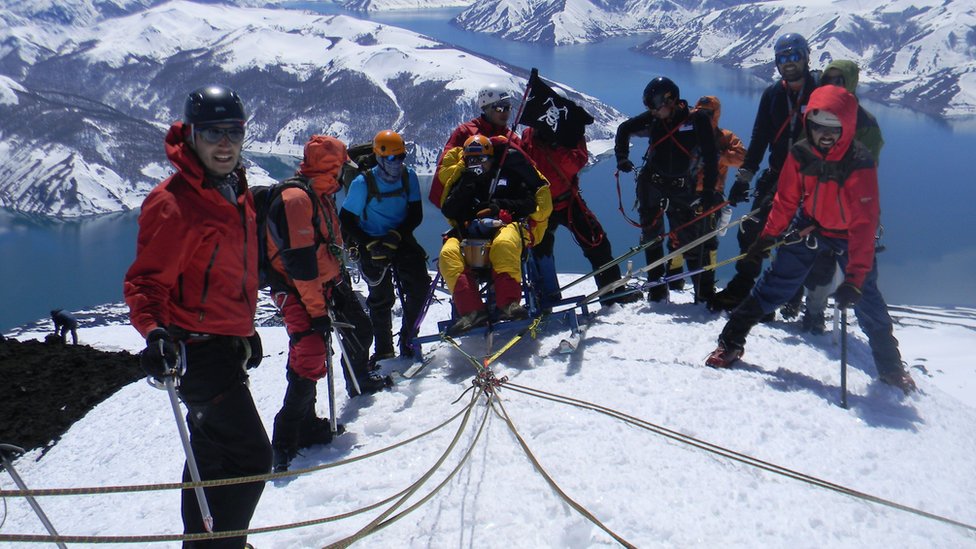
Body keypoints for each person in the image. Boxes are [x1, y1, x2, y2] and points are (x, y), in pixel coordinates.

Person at [123, 84, 271, 547]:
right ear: (191, 136)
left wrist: (244, 330)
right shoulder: (174, 203)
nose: (224, 143)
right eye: (212, 133)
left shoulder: (234, 189)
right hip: (196, 352)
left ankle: (205, 541)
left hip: (225, 345)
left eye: (233, 132)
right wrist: (155, 333)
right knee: (250, 456)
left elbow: (230, 272)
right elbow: (147, 282)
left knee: (212, 456)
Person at [705, 85, 917, 395]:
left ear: (846, 127)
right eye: (818, 126)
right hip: (812, 227)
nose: (825, 135)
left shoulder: (860, 162)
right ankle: (730, 342)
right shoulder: (801, 154)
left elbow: (863, 224)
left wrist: (854, 279)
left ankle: (891, 368)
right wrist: (765, 239)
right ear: (809, 124)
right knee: (776, 285)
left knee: (867, 299)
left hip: (849, 235)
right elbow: (786, 201)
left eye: (834, 128)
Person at [265, 135, 390, 473]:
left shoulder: (319, 194)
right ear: (331, 167)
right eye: (340, 169)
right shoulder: (297, 200)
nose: (343, 176)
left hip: (326, 283)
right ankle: (288, 437)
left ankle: (358, 379)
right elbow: (301, 264)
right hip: (297, 289)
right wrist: (317, 311)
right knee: (310, 354)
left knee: (359, 328)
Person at [709, 33, 818, 312]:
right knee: (752, 231)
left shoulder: (821, 91)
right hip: (779, 175)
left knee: (798, 238)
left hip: (815, 178)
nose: (789, 63)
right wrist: (744, 177)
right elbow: (759, 139)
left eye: (794, 56)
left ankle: (789, 297)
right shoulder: (773, 95)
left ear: (806, 57)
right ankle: (744, 289)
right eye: (783, 58)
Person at [785, 60, 886, 334]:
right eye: (828, 79)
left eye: (839, 80)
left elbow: (865, 168)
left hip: (847, 208)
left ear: (851, 83)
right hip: (813, 202)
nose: (833, 84)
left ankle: (888, 362)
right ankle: (805, 308)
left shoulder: (865, 122)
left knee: (850, 276)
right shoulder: (816, 113)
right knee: (809, 257)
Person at [521, 96, 639, 307]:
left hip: (567, 202)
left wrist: (556, 146)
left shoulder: (570, 132)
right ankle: (546, 297)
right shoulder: (529, 135)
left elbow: (578, 161)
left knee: (598, 243)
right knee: (540, 251)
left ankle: (613, 295)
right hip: (541, 203)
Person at [614, 76, 722, 304]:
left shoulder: (698, 119)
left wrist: (709, 192)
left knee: (690, 240)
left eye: (654, 106)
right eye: (649, 107)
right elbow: (624, 129)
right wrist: (622, 158)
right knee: (652, 238)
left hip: (681, 188)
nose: (652, 111)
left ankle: (702, 293)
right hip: (653, 184)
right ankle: (657, 290)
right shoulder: (655, 119)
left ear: (670, 100)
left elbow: (712, 157)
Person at [437, 135, 551, 333]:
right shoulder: (464, 180)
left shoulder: (508, 175)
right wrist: (467, 185)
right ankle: (472, 312)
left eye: (480, 159)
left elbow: (529, 203)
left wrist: (500, 207)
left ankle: (508, 304)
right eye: (471, 159)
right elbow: (449, 210)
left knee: (504, 244)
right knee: (448, 254)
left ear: (490, 157)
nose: (476, 164)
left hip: (505, 227)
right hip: (470, 233)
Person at [339, 130, 431, 361]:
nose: (397, 163)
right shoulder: (363, 183)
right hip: (370, 240)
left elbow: (415, 214)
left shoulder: (408, 176)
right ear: (379, 157)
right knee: (381, 298)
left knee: (420, 286)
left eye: (401, 157)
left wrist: (396, 236)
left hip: (398, 238)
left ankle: (409, 338)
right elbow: (347, 220)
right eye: (392, 158)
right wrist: (369, 244)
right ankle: (383, 350)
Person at [664, 96, 746, 296]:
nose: (703, 117)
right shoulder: (687, 132)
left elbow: (743, 156)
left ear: (716, 114)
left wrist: (717, 155)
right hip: (683, 192)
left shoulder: (724, 137)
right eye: (700, 112)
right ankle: (674, 281)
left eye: (708, 113)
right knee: (676, 237)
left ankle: (705, 286)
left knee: (707, 241)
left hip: (710, 196)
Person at [429, 83, 524, 207]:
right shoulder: (464, 132)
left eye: (508, 108)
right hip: (469, 202)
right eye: (500, 108)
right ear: (486, 108)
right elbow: (445, 167)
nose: (505, 113)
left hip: (503, 203)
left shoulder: (512, 138)